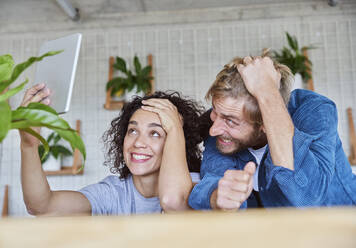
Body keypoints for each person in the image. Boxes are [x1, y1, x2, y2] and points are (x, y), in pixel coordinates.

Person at [188, 50, 356, 210]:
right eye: (215, 112)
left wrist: (267, 93)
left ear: (264, 124)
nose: (213, 130)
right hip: (281, 235)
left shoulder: (313, 110)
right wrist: (218, 197)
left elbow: (308, 196)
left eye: (231, 121)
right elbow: (212, 180)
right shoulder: (222, 128)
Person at [20, 84, 203, 216]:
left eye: (155, 133)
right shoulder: (113, 193)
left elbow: (175, 202)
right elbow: (42, 206)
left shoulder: (196, 187)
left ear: (177, 141)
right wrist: (28, 145)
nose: (138, 142)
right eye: (133, 130)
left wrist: (175, 128)